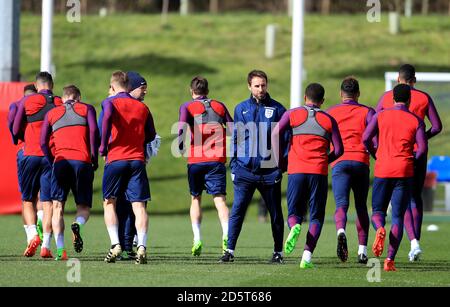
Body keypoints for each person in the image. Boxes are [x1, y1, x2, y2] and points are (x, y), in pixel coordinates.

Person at [272, 83, 343, 269]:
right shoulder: (329, 119)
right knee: (317, 216)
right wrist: (324, 161)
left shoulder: (292, 114)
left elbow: (274, 134)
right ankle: (306, 257)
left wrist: (281, 161)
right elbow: (340, 149)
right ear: (322, 101)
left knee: (294, 213)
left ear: (305, 98)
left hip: (296, 170)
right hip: (318, 172)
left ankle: (295, 226)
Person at [220, 70, 287, 264]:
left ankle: (278, 253)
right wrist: (234, 164)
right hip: (244, 171)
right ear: (249, 86)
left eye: (263, 85)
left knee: (275, 213)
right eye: (257, 86)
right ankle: (229, 251)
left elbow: (285, 141)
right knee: (238, 211)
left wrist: (280, 166)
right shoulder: (241, 109)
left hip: (269, 172)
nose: (260, 89)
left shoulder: (278, 109)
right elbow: (237, 138)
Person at [376, 64, 442, 262]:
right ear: (414, 80)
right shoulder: (423, 97)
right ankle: (415, 243)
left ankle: (408, 241)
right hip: (416, 155)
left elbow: (373, 121)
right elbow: (437, 126)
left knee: (398, 202)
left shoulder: (387, 97)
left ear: (398, 79)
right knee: (414, 199)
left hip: (392, 156)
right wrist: (420, 138)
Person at [364, 84, 428, 272]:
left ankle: (379, 229)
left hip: (383, 168)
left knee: (377, 212)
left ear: (392, 98)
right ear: (409, 100)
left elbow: (365, 138)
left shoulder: (380, 116)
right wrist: (412, 160)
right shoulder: (416, 120)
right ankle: (390, 259)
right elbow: (422, 149)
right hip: (404, 170)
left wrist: (376, 154)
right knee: (398, 216)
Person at [100, 71, 156, 265]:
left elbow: (105, 122)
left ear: (114, 87)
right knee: (139, 205)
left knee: (109, 202)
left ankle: (115, 244)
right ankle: (141, 245)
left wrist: (102, 145)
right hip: (137, 160)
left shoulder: (110, 103)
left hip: (115, 158)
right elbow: (151, 135)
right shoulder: (143, 108)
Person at [40, 85, 99, 261]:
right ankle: (77, 223)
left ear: (63, 98)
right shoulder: (87, 108)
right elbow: (95, 132)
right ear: (78, 98)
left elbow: (43, 142)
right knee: (83, 207)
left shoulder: (51, 113)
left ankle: (60, 250)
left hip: (60, 162)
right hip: (82, 162)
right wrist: (94, 157)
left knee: (57, 207)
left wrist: (53, 161)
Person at [178, 76, 233, 256]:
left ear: (192, 91)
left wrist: (181, 144)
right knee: (220, 200)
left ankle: (197, 238)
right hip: (216, 160)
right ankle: (227, 236)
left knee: (195, 198)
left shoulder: (187, 107)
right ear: (207, 91)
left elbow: (181, 128)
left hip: (196, 160)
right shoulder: (219, 106)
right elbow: (233, 129)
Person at [13, 72, 63, 258]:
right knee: (48, 201)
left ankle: (33, 234)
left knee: (28, 199)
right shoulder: (59, 102)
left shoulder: (28, 101)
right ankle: (46, 246)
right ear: (52, 84)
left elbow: (16, 126)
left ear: (36, 85)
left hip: (30, 154)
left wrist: (21, 138)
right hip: (51, 156)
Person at [327, 77, 375, 264]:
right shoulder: (367, 112)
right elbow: (373, 138)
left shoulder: (331, 112)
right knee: (361, 206)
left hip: (340, 162)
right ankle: (362, 250)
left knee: (341, 205)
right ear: (358, 94)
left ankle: (341, 231)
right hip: (361, 161)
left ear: (341, 94)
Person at [7, 84, 46, 245]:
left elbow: (12, 125)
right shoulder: (44, 104)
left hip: (26, 151)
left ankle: (31, 235)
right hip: (46, 153)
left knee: (26, 197)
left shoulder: (17, 104)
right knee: (43, 195)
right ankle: (42, 221)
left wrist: (16, 139)